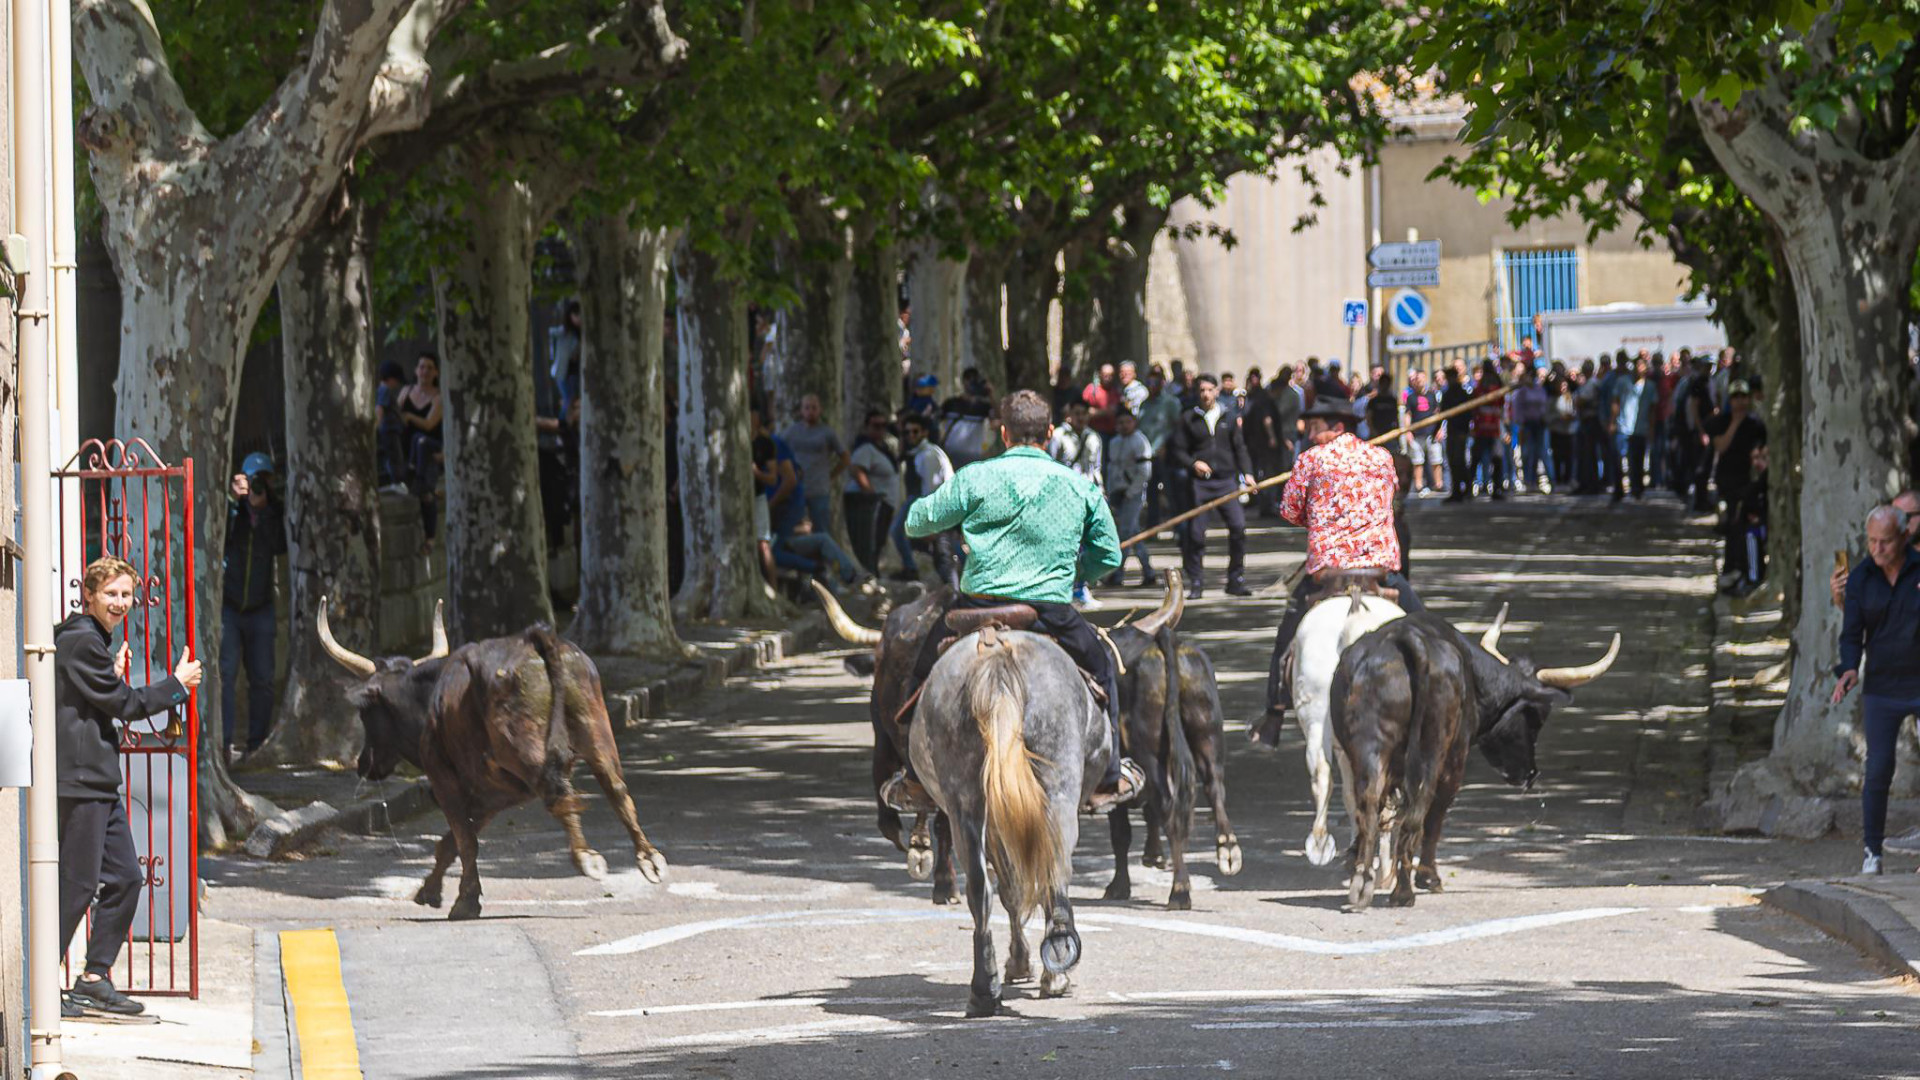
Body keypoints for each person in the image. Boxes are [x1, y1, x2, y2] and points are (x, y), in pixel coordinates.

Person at [891, 389, 1141, 813]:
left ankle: (916, 780)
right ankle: (1111, 776)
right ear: (1048, 432)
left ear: (1003, 433)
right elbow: (1109, 556)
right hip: (1050, 612)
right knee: (1102, 668)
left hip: (974, 608)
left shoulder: (974, 477)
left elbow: (916, 523)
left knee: (922, 676)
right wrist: (1077, 574)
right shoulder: (1078, 485)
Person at [58, 557, 203, 1016]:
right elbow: (124, 704)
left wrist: (114, 673)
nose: (121, 603)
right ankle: (43, 983)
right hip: (81, 781)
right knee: (78, 886)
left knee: (126, 878)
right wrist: (176, 686)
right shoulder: (81, 642)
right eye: (112, 594)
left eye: (126, 596)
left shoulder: (94, 643)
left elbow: (102, 700)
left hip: (100, 780)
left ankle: (94, 976)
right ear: (90, 595)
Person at [1249, 399, 1425, 747]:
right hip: (1380, 570)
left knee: (1287, 636)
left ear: (1338, 427)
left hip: (1328, 572)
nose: (1309, 434)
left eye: (1314, 427)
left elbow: (1289, 511)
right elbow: (1390, 497)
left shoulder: (1310, 460)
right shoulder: (1382, 457)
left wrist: (1319, 516)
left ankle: (1274, 713)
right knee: (1426, 627)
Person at [1833, 504, 1920, 875]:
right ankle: (1872, 852)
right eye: (1871, 541)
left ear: (1903, 537)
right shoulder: (1861, 579)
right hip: (1882, 686)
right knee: (1879, 768)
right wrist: (1849, 668)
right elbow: (1851, 633)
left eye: (1885, 541)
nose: (1878, 549)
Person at [1167, 374, 1254, 599]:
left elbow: (1240, 448)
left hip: (1227, 482)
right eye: (1202, 390)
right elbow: (1177, 450)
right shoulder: (1188, 418)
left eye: (1209, 389)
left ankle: (1235, 580)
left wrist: (1248, 474)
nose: (1206, 394)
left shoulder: (1229, 415)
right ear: (1198, 393)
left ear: (1217, 391)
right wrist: (1193, 463)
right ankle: (1196, 582)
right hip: (1200, 485)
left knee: (1238, 528)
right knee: (1195, 535)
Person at [222, 452, 285, 758]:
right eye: (253, 480)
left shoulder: (276, 512)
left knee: (262, 679)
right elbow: (220, 538)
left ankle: (257, 744)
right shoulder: (232, 511)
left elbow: (279, 546)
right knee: (225, 675)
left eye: (263, 480)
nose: (258, 487)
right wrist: (235, 504)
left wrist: (265, 511)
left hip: (261, 608)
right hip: (230, 608)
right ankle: (223, 743)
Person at [1704, 380, 1767, 590]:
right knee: (1731, 524)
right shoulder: (1720, 421)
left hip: (1747, 483)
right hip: (1727, 481)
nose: (1740, 402)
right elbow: (1720, 446)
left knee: (1743, 526)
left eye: (1744, 397)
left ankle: (1743, 569)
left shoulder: (1756, 424)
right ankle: (1731, 568)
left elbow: (1761, 451)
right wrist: (1735, 423)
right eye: (1736, 398)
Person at [890, 411, 957, 585]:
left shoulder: (928, 455)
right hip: (920, 501)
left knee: (943, 550)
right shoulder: (915, 453)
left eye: (915, 432)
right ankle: (911, 568)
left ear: (924, 432)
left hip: (936, 504)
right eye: (907, 432)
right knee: (900, 531)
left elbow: (931, 488)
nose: (911, 436)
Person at [1049, 401, 1105, 607]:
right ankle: (1064, 588)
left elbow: (1096, 468)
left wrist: (1100, 493)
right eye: (1077, 413)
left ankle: (1081, 587)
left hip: (1087, 496)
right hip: (1063, 497)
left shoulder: (1093, 437)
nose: (1081, 417)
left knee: (1085, 544)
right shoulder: (1058, 436)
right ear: (1069, 414)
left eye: (1084, 413)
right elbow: (1050, 464)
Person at [780, 393, 850, 537]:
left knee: (822, 529)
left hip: (819, 489)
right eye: (806, 408)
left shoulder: (827, 432)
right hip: (796, 489)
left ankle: (826, 559)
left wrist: (831, 475)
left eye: (814, 408)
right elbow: (778, 449)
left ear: (820, 410)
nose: (810, 411)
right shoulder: (791, 431)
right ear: (801, 410)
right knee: (793, 530)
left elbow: (845, 458)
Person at [1104, 409, 1158, 587]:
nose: (1124, 426)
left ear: (1134, 422)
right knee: (1133, 533)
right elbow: (1112, 468)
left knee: (1126, 534)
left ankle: (1117, 573)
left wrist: (1131, 492)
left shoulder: (1140, 441)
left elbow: (1144, 472)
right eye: (1120, 423)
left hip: (1132, 494)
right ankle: (1148, 571)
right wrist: (1110, 490)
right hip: (1117, 492)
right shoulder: (1114, 442)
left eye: (1127, 422)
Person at [845, 410, 900, 574]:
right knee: (871, 543)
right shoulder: (865, 448)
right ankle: (869, 572)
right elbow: (856, 470)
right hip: (874, 506)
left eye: (884, 426)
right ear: (867, 427)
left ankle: (873, 570)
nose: (880, 430)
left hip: (885, 504)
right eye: (876, 426)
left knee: (879, 542)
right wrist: (871, 494)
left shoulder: (883, 447)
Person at [401, 351, 445, 549]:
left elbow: (428, 425)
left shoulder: (439, 397)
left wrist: (410, 417)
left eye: (429, 367)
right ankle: (430, 538)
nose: (425, 371)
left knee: (420, 440)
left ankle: (430, 538)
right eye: (421, 367)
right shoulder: (406, 391)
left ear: (436, 373)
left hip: (429, 451)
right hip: (407, 452)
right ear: (415, 370)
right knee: (426, 492)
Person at [1614, 357, 1656, 500]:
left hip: (1641, 428)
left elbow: (1652, 408)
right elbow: (1616, 401)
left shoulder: (1650, 386)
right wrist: (1612, 422)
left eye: (1641, 365)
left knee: (1638, 461)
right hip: (1624, 426)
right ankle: (1619, 490)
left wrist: (1651, 427)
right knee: (1620, 460)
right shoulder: (1622, 382)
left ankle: (1637, 489)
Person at [1468, 361, 1506, 500]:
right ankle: (1497, 489)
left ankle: (1469, 489)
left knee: (1478, 459)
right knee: (1495, 460)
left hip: (1483, 428)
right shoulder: (1496, 388)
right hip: (1491, 428)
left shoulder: (1480, 388)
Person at [1509, 366, 1549, 493]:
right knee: (1526, 453)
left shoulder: (1539, 389)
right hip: (1526, 425)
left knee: (1539, 453)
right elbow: (1517, 410)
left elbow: (1544, 404)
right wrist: (1519, 424)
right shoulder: (1521, 392)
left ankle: (1539, 481)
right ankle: (1528, 481)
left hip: (1539, 424)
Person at [1402, 369, 1439, 493]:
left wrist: (1440, 430)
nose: (1419, 381)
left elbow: (1437, 413)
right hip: (1417, 434)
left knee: (1436, 460)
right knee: (1417, 461)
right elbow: (1408, 414)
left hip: (1432, 433)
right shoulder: (1411, 398)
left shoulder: (1432, 395)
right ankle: (1418, 485)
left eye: (1422, 378)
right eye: (1417, 379)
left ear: (1426, 379)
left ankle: (1438, 485)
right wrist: (1407, 431)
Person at [1439, 365, 1472, 501]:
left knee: (1458, 461)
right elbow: (1442, 414)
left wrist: (1465, 430)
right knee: (1453, 461)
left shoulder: (1462, 393)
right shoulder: (1448, 394)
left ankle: (1465, 488)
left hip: (1460, 432)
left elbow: (1468, 414)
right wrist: (1436, 430)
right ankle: (1457, 490)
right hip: (1452, 431)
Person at [375, 361, 408, 490]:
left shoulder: (384, 390)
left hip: (392, 429)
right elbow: (380, 408)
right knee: (395, 456)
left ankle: (395, 480)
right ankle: (396, 481)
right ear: (391, 378)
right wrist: (377, 424)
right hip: (389, 430)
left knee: (394, 455)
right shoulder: (385, 390)